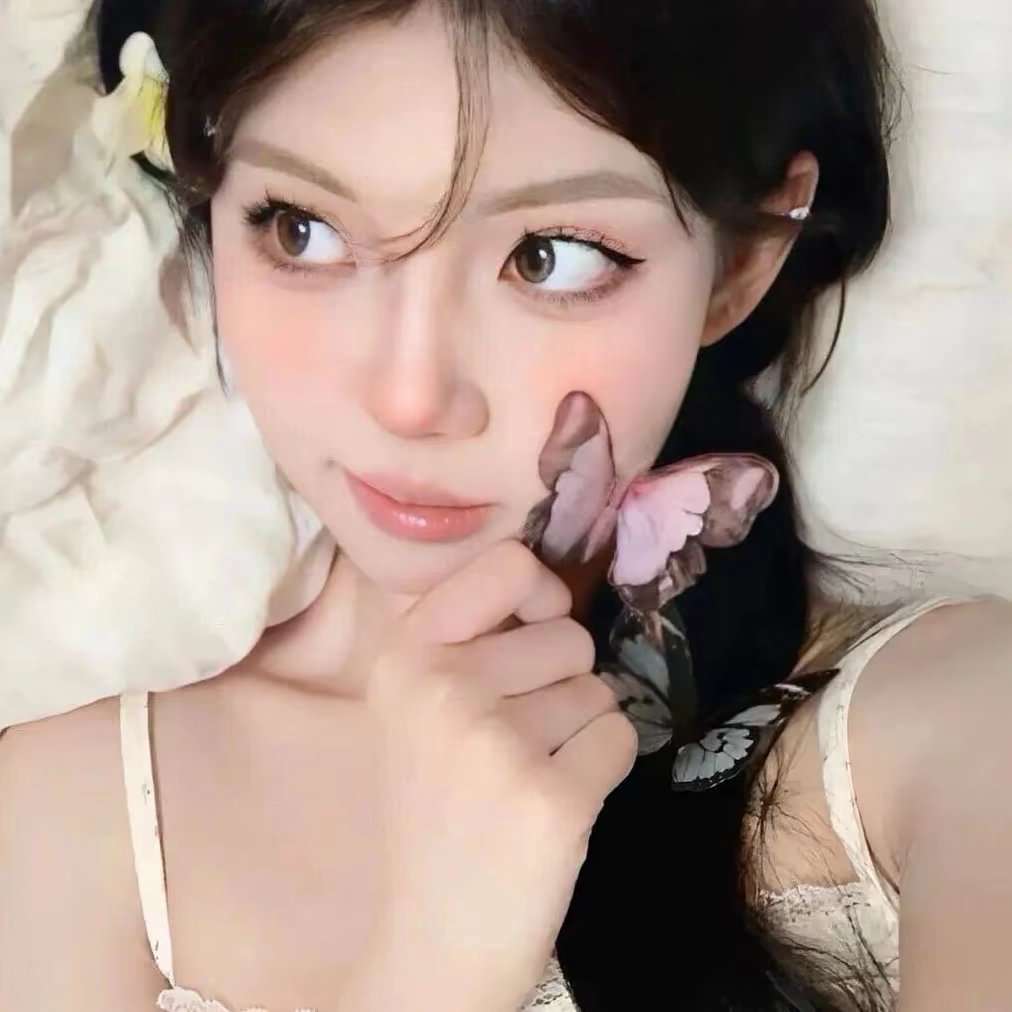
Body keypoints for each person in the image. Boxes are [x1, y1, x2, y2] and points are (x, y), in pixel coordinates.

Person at [1, 1, 1010, 1009]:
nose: (409, 398)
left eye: (550, 257)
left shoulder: (953, 735)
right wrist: (433, 968)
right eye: (302, 230)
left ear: (741, 263)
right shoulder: (70, 813)